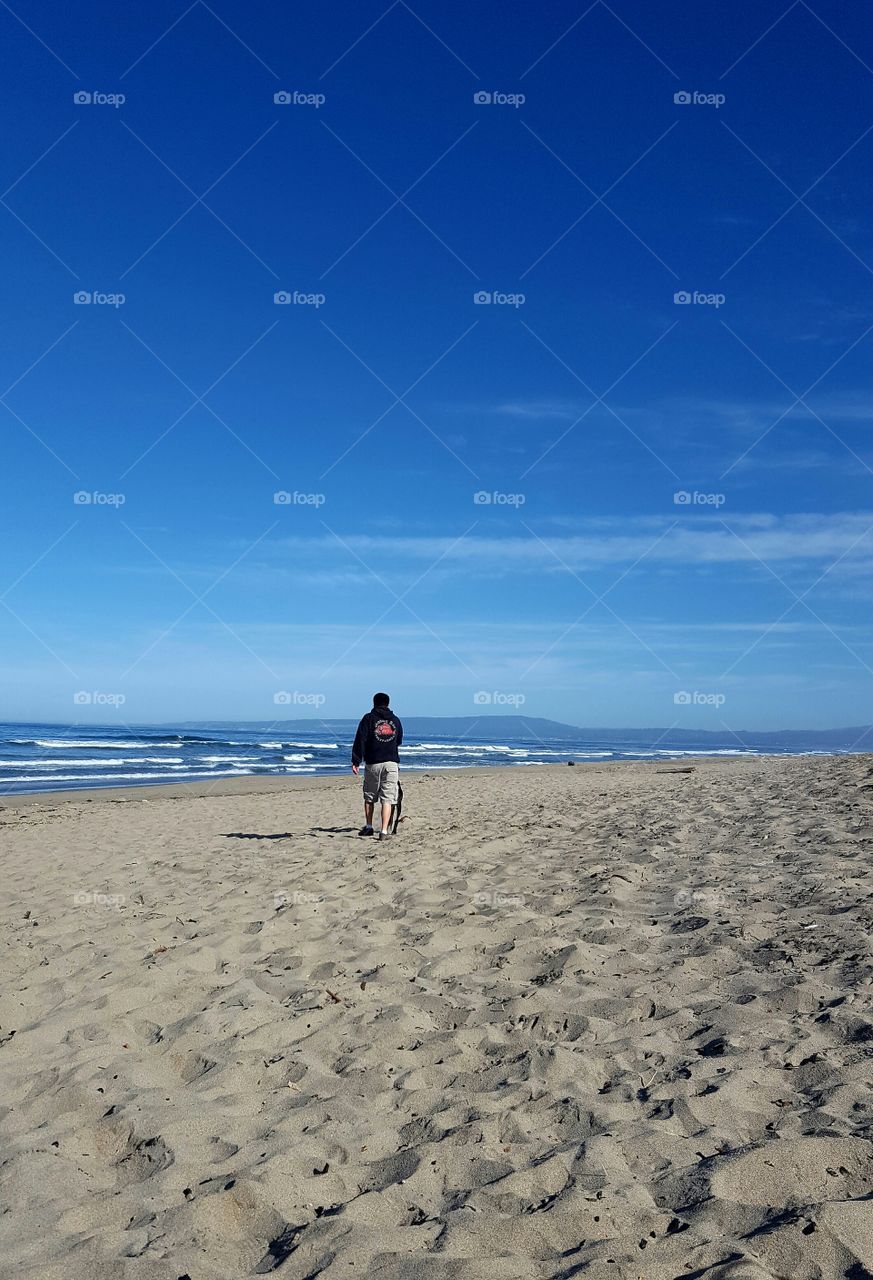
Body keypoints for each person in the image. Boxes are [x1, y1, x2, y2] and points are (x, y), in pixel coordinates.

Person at [351, 692, 403, 840]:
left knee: (370, 796)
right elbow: (398, 740)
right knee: (387, 798)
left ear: (374, 703)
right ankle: (384, 831)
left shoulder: (368, 718)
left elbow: (360, 739)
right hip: (391, 763)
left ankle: (369, 826)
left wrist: (356, 760)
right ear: (388, 703)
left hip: (373, 762)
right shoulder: (396, 720)